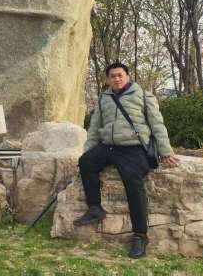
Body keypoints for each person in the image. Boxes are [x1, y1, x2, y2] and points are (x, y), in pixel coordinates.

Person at [74, 62, 180, 259]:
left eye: (120, 75)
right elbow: (95, 128)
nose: (116, 79)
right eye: (112, 76)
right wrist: (86, 152)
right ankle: (95, 208)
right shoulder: (104, 99)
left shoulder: (144, 96)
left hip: (133, 147)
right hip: (108, 145)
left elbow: (157, 125)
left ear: (127, 76)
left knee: (133, 182)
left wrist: (166, 151)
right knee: (86, 162)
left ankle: (140, 235)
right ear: (108, 79)